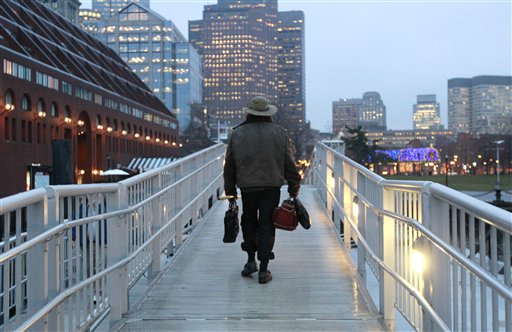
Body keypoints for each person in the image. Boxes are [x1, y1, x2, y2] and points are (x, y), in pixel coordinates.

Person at [223, 96, 301, 284]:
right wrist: (293, 184)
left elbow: (230, 166)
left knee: (248, 221)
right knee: (267, 224)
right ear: (267, 114)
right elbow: (288, 162)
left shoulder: (237, 133)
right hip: (271, 185)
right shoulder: (279, 132)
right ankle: (264, 269)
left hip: (247, 186)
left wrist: (230, 191)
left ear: (249, 113)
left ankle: (251, 261)